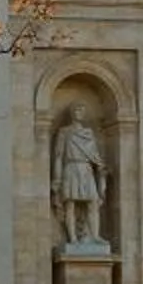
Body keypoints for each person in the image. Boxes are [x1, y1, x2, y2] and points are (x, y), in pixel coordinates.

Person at [51, 104, 108, 248]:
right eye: (76, 109)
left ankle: (95, 236)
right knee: (70, 204)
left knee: (92, 202)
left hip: (86, 169)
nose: (79, 112)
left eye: (82, 110)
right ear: (71, 112)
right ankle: (73, 238)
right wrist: (57, 178)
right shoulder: (64, 132)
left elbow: (94, 155)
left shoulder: (88, 133)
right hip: (70, 168)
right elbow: (58, 156)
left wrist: (101, 167)